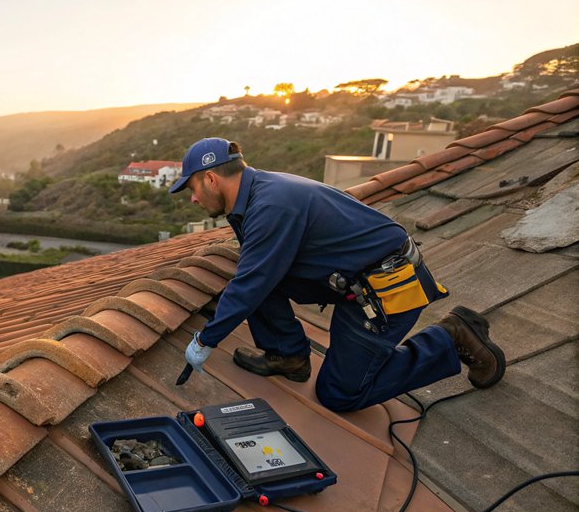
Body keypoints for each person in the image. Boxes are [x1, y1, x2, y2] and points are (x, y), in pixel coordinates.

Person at [172, 137, 505, 412]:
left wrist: (205, 339)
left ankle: (451, 336)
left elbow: (251, 283)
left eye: (193, 188)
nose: (194, 198)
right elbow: (256, 271)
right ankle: (289, 356)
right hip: (354, 279)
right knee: (257, 275)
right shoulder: (256, 194)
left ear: (212, 178)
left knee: (339, 394)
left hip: (385, 289)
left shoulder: (271, 205)